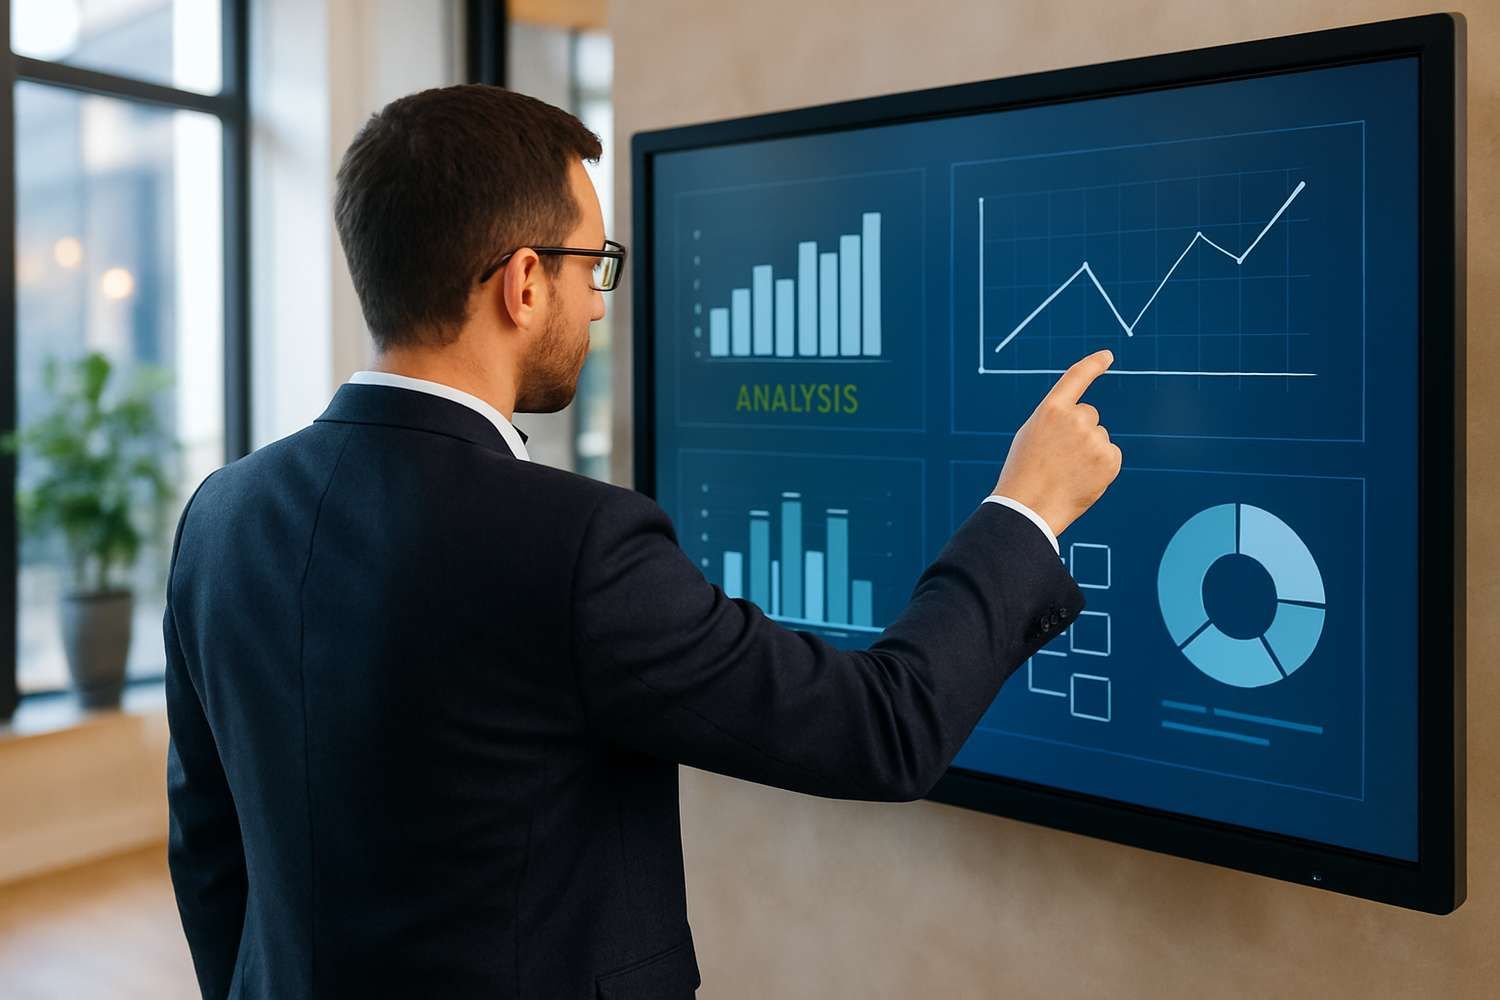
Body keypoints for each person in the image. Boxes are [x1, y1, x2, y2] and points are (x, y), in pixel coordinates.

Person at [164, 85, 1121, 1000]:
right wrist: (1022, 512)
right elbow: (882, 732)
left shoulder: (220, 516)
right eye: (595, 267)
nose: (600, 305)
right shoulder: (575, 544)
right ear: (524, 283)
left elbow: (209, 849)